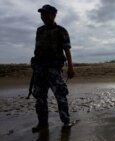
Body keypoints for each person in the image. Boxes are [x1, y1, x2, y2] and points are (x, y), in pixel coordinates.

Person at [31, 4, 75, 132]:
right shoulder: (39, 31)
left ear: (54, 15)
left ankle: (66, 121)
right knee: (39, 98)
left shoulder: (62, 31)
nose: (43, 16)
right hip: (39, 69)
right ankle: (42, 123)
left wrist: (71, 67)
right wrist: (35, 64)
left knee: (61, 95)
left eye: (45, 13)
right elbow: (37, 50)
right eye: (41, 14)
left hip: (54, 69)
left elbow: (67, 50)